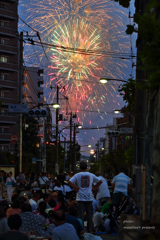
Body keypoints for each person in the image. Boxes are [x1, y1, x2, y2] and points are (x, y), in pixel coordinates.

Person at [68, 161, 102, 232]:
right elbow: (100, 181)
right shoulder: (91, 175)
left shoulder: (77, 175)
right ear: (87, 168)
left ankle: (81, 229)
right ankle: (90, 229)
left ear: (80, 168)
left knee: (80, 215)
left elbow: (69, 181)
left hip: (80, 197)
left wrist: (75, 187)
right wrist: (94, 187)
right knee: (89, 214)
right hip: (89, 197)